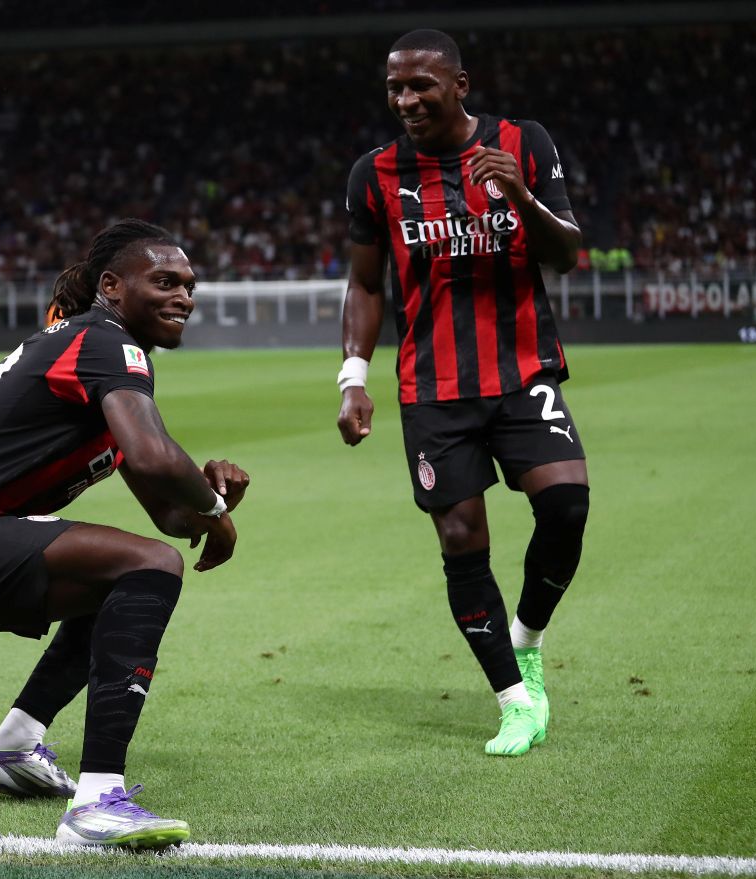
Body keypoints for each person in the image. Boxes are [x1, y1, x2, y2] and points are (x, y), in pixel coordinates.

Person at [0, 219, 249, 846]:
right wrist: (210, 505)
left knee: (127, 574)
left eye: (190, 285)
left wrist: (208, 503)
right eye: (165, 281)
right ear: (112, 287)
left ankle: (14, 747)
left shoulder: (101, 365)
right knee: (146, 567)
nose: (185, 296)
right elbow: (156, 462)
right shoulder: (104, 342)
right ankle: (98, 801)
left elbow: (167, 516)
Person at [337, 29, 589, 757]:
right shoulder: (375, 173)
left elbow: (568, 252)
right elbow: (364, 282)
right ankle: (514, 699)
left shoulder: (524, 142)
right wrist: (353, 378)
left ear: (460, 83)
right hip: (433, 389)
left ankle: (528, 636)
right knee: (460, 537)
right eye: (395, 89)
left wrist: (518, 193)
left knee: (566, 506)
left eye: (421, 85)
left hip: (523, 372)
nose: (407, 100)